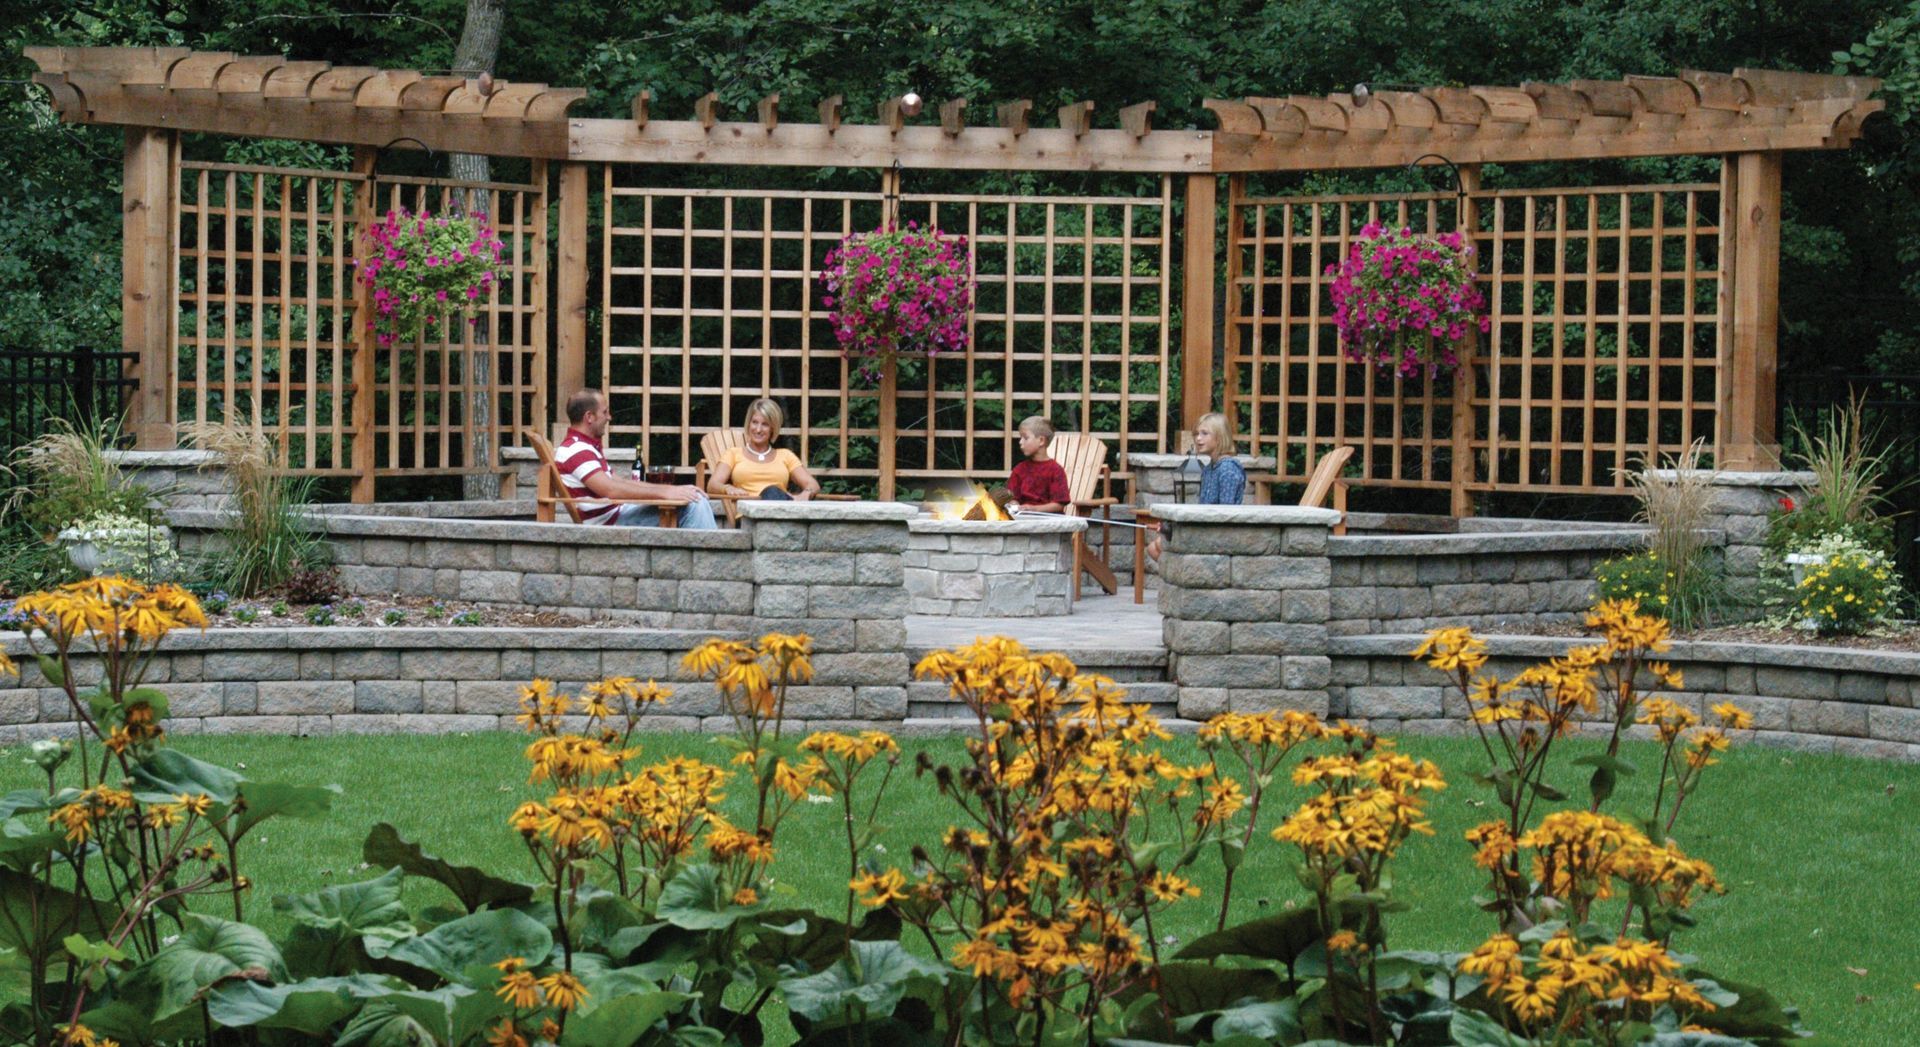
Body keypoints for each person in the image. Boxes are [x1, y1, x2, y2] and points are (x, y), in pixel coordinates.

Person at [555, 388, 717, 529]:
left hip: (615, 513)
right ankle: (710, 562)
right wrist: (666, 492)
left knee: (694, 498)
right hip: (609, 521)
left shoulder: (584, 447)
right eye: (605, 412)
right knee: (695, 504)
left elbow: (620, 483)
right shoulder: (577, 450)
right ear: (589, 417)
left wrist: (672, 490)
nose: (609, 417)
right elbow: (611, 490)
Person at [1147, 411, 1244, 558]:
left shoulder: (1228, 469)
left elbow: (1226, 515)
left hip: (1217, 536)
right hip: (1203, 529)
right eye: (1197, 433)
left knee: (1157, 547)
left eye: (1205, 433)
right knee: (1153, 548)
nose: (1198, 439)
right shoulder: (1209, 468)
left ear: (1219, 437)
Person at [707, 398, 824, 501]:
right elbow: (713, 485)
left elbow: (813, 484)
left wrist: (805, 494)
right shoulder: (733, 454)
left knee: (773, 492)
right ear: (748, 424)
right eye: (754, 422)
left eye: (765, 424)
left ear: (773, 428)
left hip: (780, 511)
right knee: (772, 491)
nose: (758, 429)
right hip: (750, 515)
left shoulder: (785, 455)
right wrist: (727, 488)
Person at [1006, 416, 1071, 515]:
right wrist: (1015, 506)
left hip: (1050, 522)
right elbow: (1012, 498)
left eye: (1025, 438)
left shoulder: (1056, 470)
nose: (1020, 442)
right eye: (1020, 438)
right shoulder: (1019, 469)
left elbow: (1059, 504)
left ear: (1041, 440)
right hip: (1023, 520)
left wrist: (1033, 509)